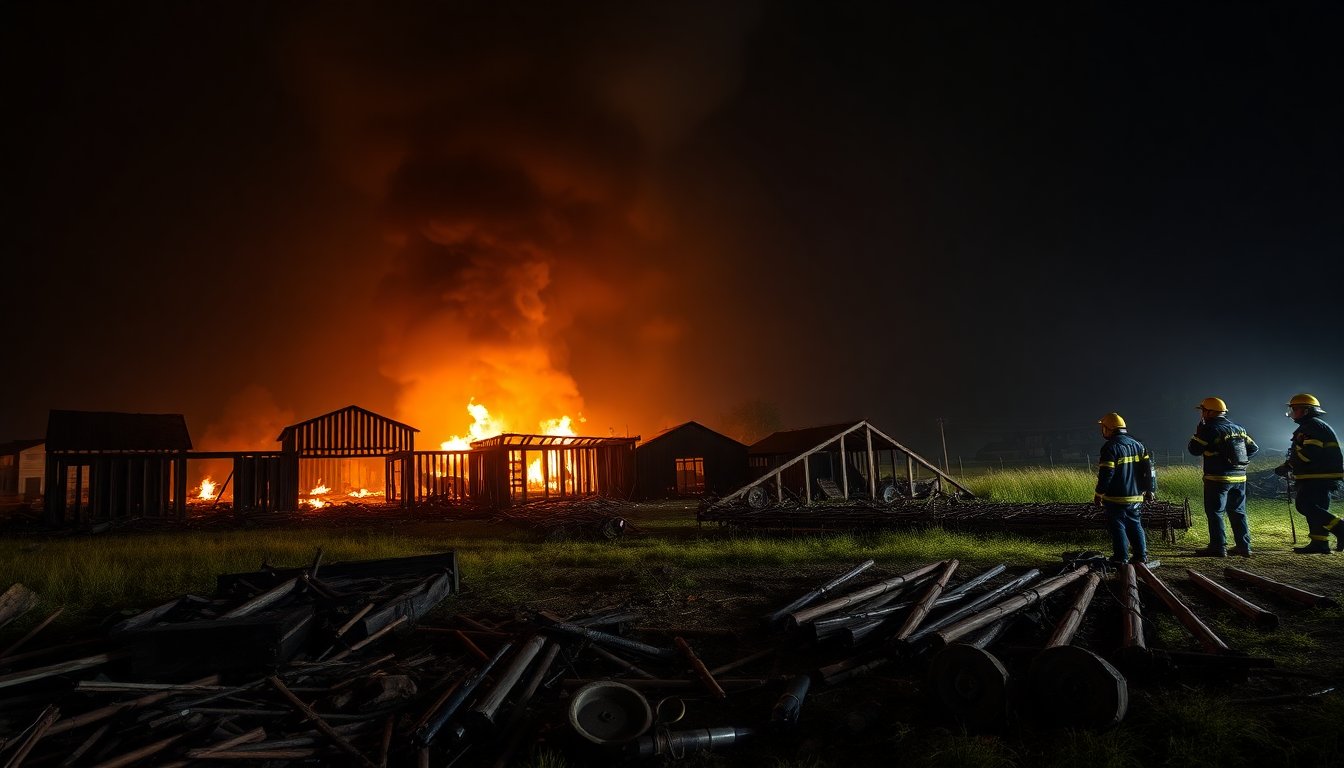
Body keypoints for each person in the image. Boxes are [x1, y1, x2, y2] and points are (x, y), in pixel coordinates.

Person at [1187, 397, 1259, 557]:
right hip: (1240, 478)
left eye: (1202, 411)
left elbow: (1194, 450)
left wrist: (1199, 432)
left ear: (1209, 412)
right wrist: (1239, 463)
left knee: (1215, 512)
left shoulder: (1209, 429)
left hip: (1217, 478)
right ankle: (1244, 547)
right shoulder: (1238, 429)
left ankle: (1218, 547)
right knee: (1238, 511)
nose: (1201, 414)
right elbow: (1254, 448)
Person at [1274, 393, 1344, 554]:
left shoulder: (1311, 427)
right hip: (1320, 474)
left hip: (1317, 475)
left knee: (1305, 505)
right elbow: (1305, 452)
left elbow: (1309, 453)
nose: (1292, 413)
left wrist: (1289, 465)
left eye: (1295, 409)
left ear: (1306, 410)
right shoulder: (1314, 426)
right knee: (1317, 508)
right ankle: (1320, 543)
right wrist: (1288, 465)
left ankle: (1340, 527)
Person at [1094, 412, 1157, 564]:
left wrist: (1099, 493)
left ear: (1109, 428)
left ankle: (1121, 558)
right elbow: (1150, 470)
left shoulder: (1110, 447)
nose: (1102, 431)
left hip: (1115, 497)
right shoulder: (1139, 445)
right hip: (1136, 496)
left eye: (1103, 427)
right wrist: (1150, 490)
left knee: (1118, 527)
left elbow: (1107, 473)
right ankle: (1141, 556)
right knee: (1135, 524)